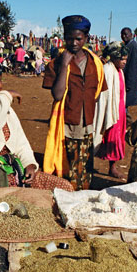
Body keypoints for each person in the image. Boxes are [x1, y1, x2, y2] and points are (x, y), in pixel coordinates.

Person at [0, 59, 73, 192]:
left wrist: (29, 165)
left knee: (64, 188)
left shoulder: (5, 108)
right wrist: (6, 95)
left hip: (13, 173)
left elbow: (21, 143)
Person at [42, 15, 106, 190]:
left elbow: (98, 92)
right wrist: (64, 66)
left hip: (88, 124)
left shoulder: (95, 63)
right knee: (66, 165)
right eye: (69, 38)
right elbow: (57, 94)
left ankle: (81, 196)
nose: (74, 43)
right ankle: (66, 198)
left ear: (86, 38)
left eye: (78, 38)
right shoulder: (56, 63)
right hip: (67, 124)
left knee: (84, 166)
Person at [95, 42, 127, 178]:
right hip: (110, 108)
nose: (124, 62)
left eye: (126, 59)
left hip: (119, 108)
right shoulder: (107, 70)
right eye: (122, 59)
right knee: (107, 136)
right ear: (114, 58)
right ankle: (92, 164)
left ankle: (112, 166)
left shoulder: (119, 71)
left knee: (117, 138)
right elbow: (104, 95)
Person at [121, 27, 137, 108]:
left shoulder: (134, 47)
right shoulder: (128, 45)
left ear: (131, 35)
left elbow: (133, 67)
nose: (124, 36)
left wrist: (129, 84)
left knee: (125, 106)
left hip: (129, 82)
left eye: (126, 34)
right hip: (126, 80)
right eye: (122, 34)